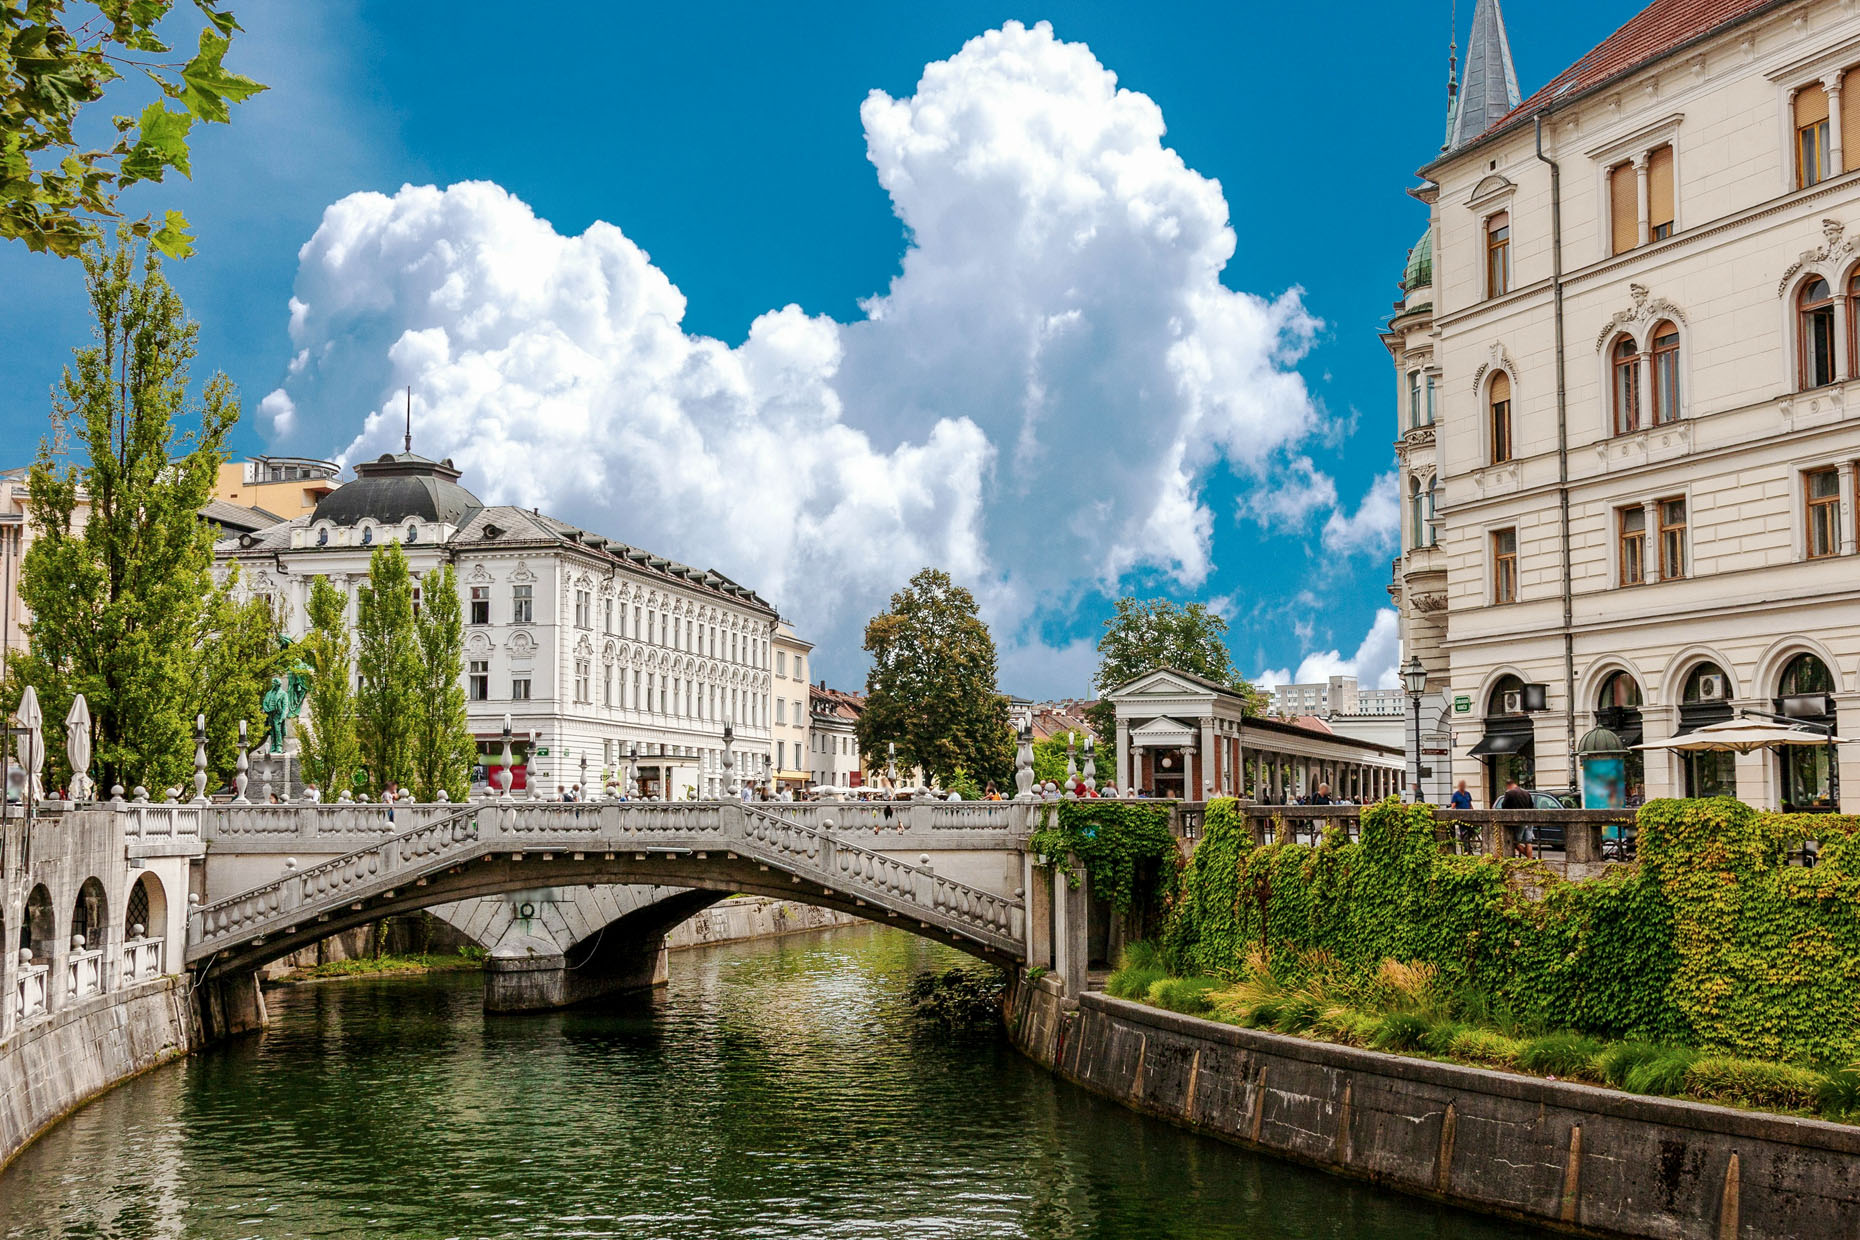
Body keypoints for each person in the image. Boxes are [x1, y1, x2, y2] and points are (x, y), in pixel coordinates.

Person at [1494, 778, 1535, 858]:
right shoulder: (1526, 792)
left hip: (1518, 821)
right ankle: (1530, 859)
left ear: (1508, 785)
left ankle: (1529, 857)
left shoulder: (1509, 793)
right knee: (1528, 842)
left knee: (1514, 841)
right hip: (1529, 820)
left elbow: (1504, 807)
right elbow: (1531, 806)